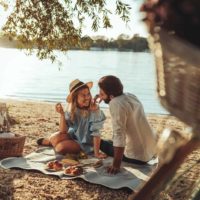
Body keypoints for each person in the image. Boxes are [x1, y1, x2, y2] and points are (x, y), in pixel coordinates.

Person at [96, 75, 157, 174]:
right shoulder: (130, 96)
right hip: (151, 150)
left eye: (102, 93)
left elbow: (119, 135)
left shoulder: (115, 104)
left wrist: (116, 165)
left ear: (111, 95)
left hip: (137, 157)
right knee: (108, 141)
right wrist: (103, 96)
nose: (100, 95)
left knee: (99, 142)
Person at [37, 79, 107, 159]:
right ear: (75, 97)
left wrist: (97, 153)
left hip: (85, 143)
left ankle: (52, 143)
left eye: (88, 94)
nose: (87, 97)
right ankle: (52, 142)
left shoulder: (94, 109)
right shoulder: (72, 108)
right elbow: (63, 131)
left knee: (60, 148)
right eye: (83, 95)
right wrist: (62, 114)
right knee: (54, 137)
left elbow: (96, 133)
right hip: (73, 136)